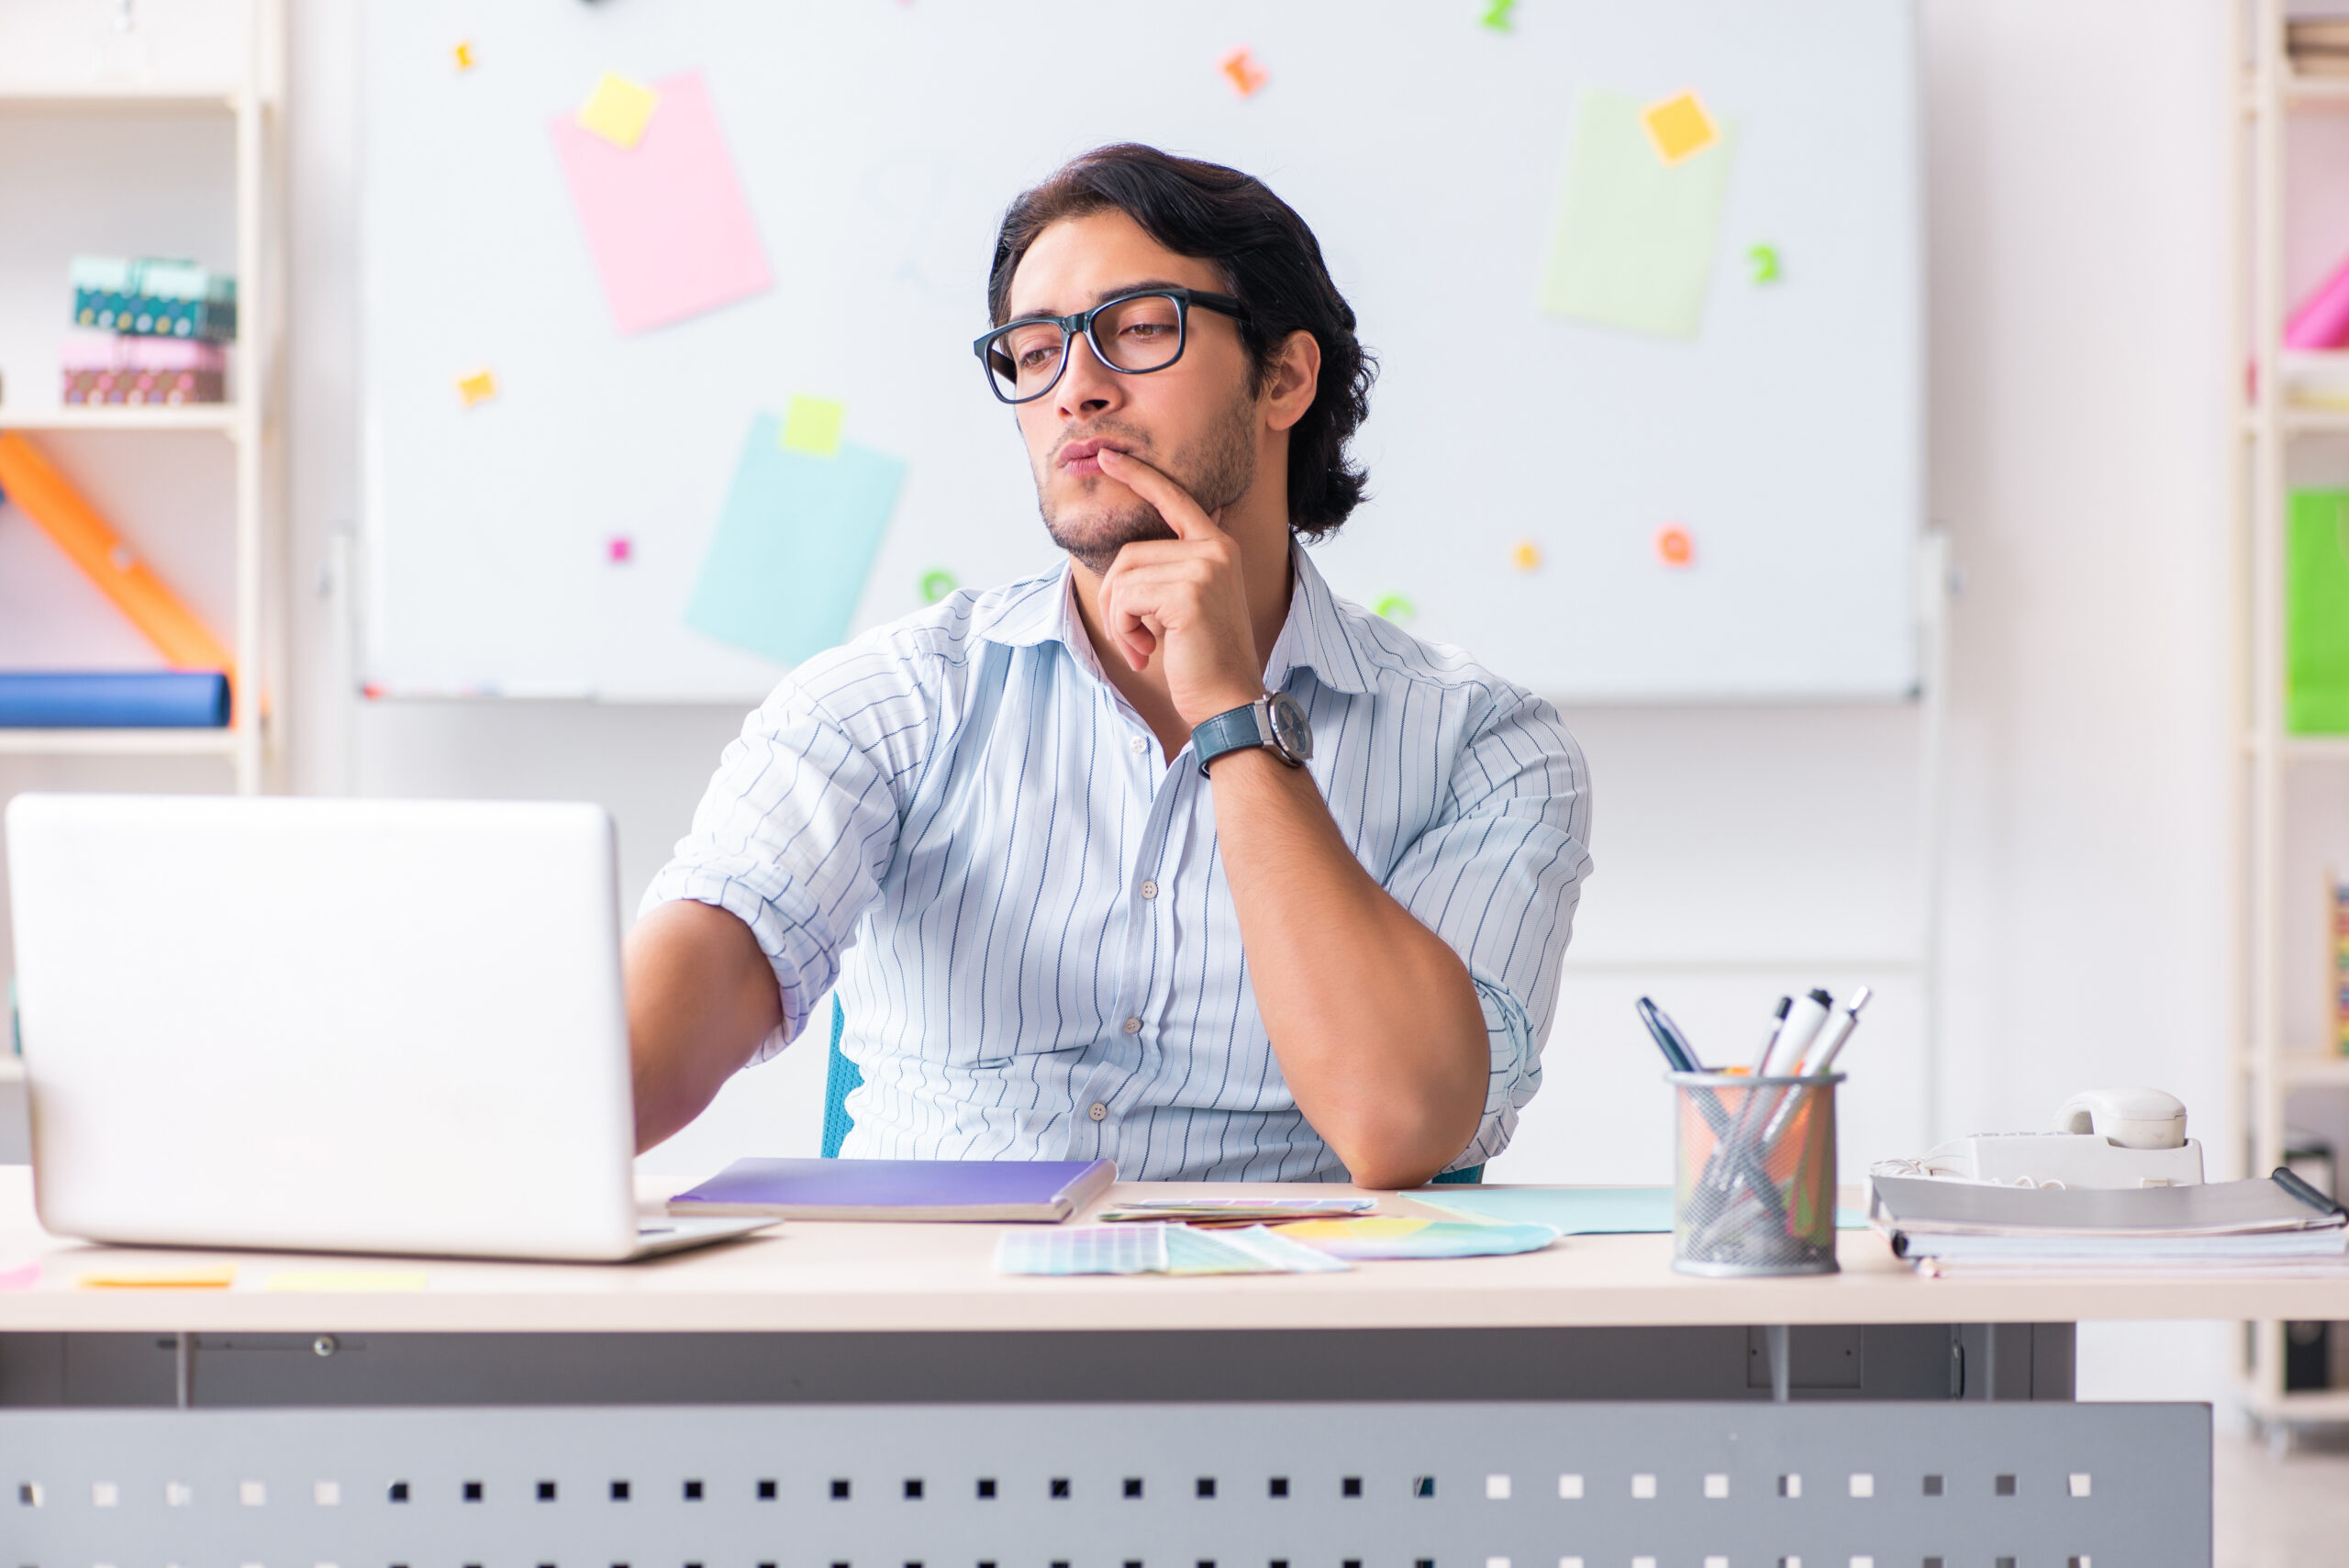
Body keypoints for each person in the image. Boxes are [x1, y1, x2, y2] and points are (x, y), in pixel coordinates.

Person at [627, 144, 1591, 1188]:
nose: (1075, 389)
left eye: (1136, 329)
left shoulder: (1483, 745)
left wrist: (1232, 714)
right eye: (1034, 352)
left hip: (1292, 1333)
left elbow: (1400, 1121)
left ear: (1284, 376)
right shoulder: (888, 701)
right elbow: (658, 1040)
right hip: (939, 1325)